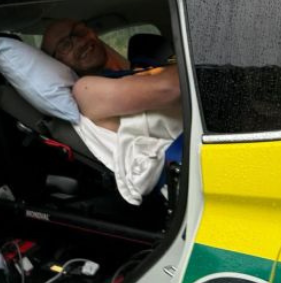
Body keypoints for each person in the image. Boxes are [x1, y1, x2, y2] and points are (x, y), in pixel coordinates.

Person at [41, 19, 182, 205]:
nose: (80, 42)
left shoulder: (127, 73)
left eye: (79, 31)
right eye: (65, 45)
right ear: (56, 63)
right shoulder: (85, 90)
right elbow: (173, 87)